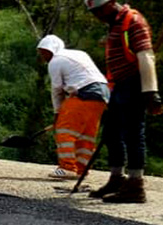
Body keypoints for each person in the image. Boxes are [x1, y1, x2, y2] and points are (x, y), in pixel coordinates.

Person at [84, 0, 163, 203]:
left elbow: (146, 55)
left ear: (112, 3)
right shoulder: (113, 26)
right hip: (118, 86)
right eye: (94, 13)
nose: (98, 16)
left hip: (134, 83)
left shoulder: (132, 21)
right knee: (111, 133)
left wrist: (150, 92)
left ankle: (136, 185)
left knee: (133, 133)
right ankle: (116, 178)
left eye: (100, 10)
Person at [36, 35, 109, 179]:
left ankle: (67, 167)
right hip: (103, 94)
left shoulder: (55, 61)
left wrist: (57, 114)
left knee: (63, 130)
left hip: (85, 93)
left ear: (52, 50)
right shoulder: (79, 54)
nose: (42, 56)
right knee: (85, 135)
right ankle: (81, 170)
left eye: (44, 52)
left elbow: (57, 90)